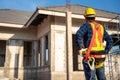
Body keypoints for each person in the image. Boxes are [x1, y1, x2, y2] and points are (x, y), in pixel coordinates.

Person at [75, 7, 113, 80]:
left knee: (91, 78)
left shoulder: (86, 26)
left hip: (90, 57)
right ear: (94, 17)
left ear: (85, 17)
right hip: (100, 58)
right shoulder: (101, 27)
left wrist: (81, 48)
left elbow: (78, 35)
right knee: (102, 78)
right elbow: (110, 41)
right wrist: (105, 52)